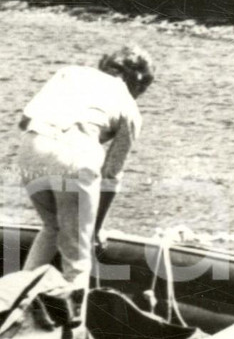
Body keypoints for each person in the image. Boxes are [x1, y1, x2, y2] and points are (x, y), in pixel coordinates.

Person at [16, 45, 155, 289]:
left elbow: (24, 121)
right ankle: (74, 324)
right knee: (78, 260)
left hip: (31, 148)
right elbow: (111, 175)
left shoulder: (70, 73)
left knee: (52, 227)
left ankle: (15, 300)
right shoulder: (131, 109)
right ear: (139, 83)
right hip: (76, 157)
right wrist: (96, 228)